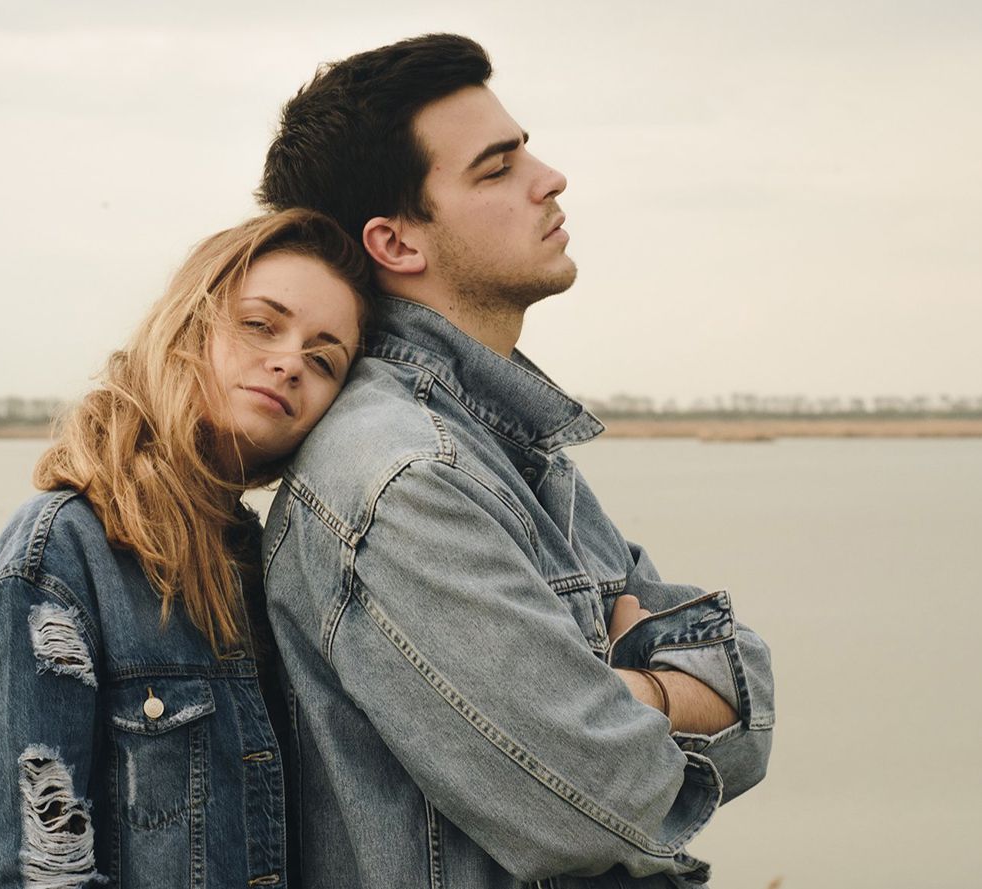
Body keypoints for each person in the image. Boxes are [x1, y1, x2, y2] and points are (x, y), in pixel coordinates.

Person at [256, 34, 775, 887]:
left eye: (525, 149)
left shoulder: (505, 446)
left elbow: (747, 688)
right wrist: (652, 691)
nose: (550, 177)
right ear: (396, 243)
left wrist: (623, 700)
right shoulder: (404, 479)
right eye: (497, 168)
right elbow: (603, 796)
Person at [0, 209, 370, 889]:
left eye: (324, 360)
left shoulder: (270, 569)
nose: (290, 362)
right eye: (261, 324)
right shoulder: (58, 561)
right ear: (188, 326)